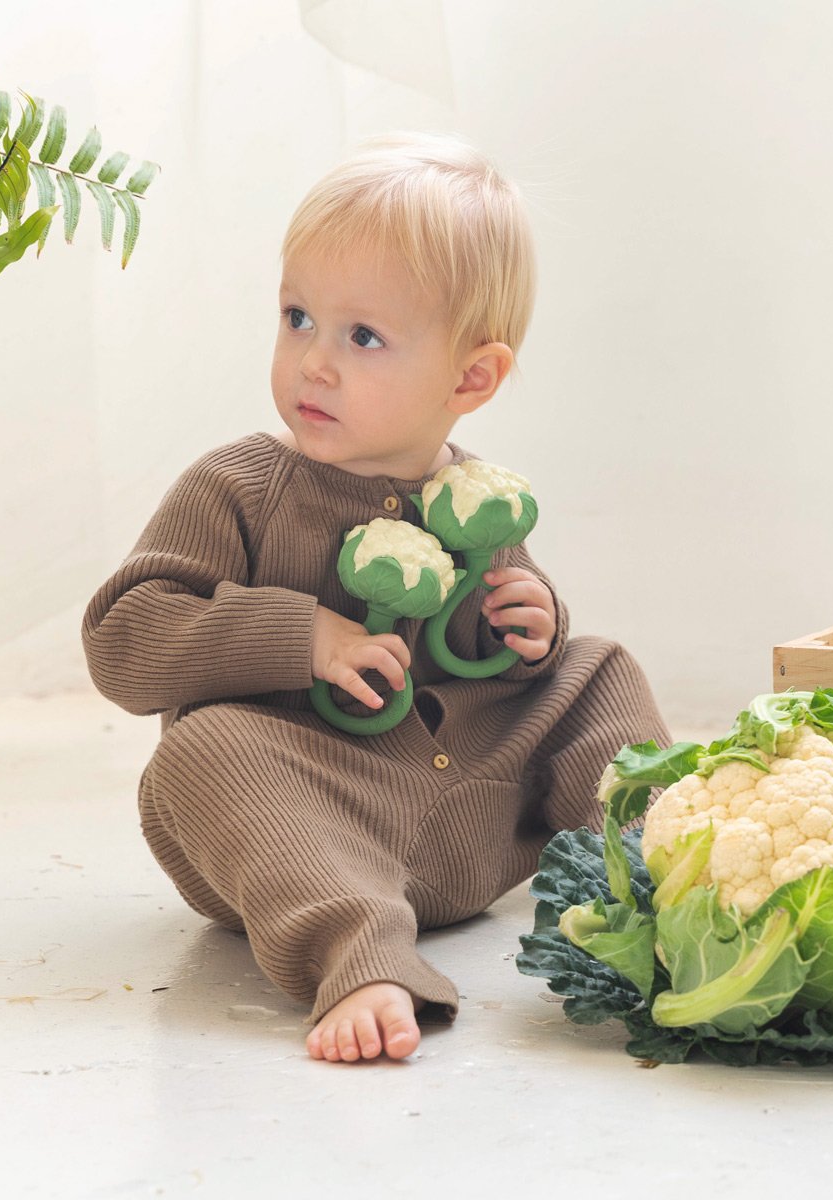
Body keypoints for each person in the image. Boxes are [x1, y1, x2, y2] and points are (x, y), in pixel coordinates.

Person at [82, 132, 670, 1064]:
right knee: (204, 751)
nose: (314, 361)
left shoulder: (474, 500)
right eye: (297, 317)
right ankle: (358, 955)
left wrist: (532, 624)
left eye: (362, 337)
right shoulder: (238, 487)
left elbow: (509, 666)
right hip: (309, 812)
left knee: (600, 668)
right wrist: (299, 635)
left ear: (470, 377)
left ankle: (655, 879)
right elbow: (122, 640)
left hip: (475, 820)